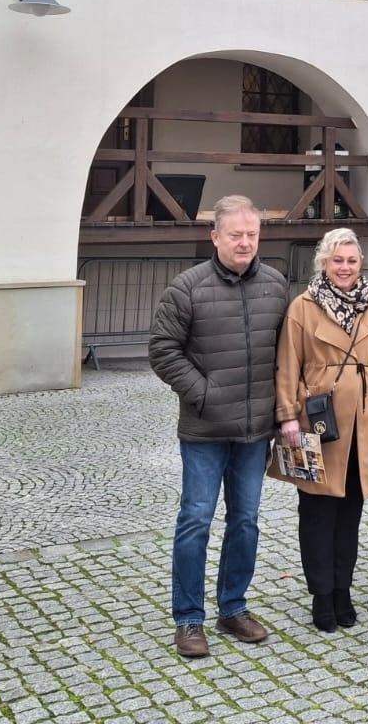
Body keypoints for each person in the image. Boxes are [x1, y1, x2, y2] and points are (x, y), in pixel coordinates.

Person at [149, 194, 290, 658]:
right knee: (195, 521)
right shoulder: (187, 287)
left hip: (255, 432)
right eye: (236, 234)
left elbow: (286, 354)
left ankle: (233, 607)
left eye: (252, 234)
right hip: (205, 430)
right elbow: (163, 350)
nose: (245, 242)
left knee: (245, 521)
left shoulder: (274, 285)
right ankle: (189, 619)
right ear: (215, 237)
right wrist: (204, 394)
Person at [275, 228, 368, 633]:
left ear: (360, 263)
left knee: (350, 513)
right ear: (324, 263)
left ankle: (343, 589)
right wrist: (288, 415)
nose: (345, 267)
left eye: (351, 260)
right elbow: (288, 364)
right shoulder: (303, 307)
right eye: (337, 260)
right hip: (318, 421)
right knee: (317, 512)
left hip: (364, 421)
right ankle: (321, 595)